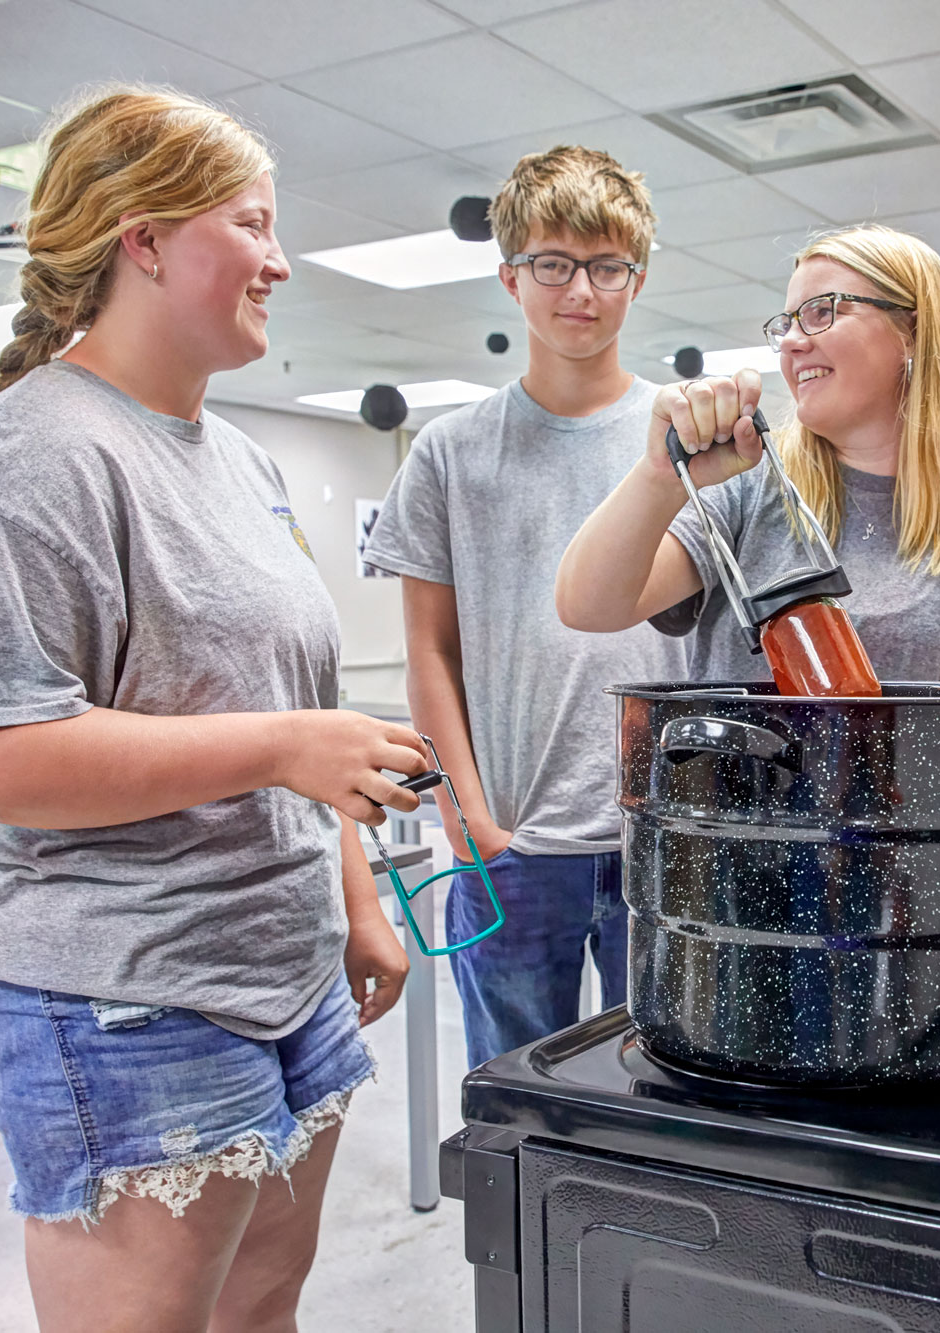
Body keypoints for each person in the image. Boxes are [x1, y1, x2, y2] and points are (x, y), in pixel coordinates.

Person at [0, 87, 429, 1333]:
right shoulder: (26, 458)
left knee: (262, 1305)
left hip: (281, 966)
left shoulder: (236, 459)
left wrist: (351, 899)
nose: (281, 260)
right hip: (120, 992)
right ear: (142, 239)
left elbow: (286, 705)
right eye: (251, 224)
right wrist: (285, 748)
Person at [359, 146, 684, 1069]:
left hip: (661, 840)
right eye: (553, 263)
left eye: (606, 266)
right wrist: (467, 821)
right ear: (511, 276)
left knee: (669, 1098)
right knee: (515, 1103)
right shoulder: (451, 452)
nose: (579, 289)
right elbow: (430, 651)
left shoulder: (686, 435)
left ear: (637, 278)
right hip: (512, 847)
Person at [556, 223, 940, 688]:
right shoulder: (749, 479)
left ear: (912, 332)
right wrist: (659, 476)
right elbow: (589, 607)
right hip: (733, 798)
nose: (790, 344)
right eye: (787, 324)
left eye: (822, 313)